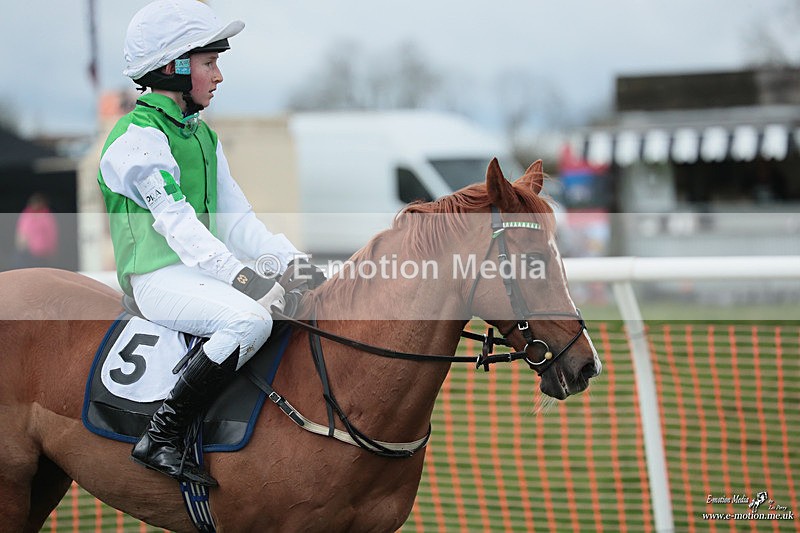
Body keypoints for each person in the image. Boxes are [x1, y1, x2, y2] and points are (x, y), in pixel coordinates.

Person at [98, 0, 323, 487]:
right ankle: (161, 436)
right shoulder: (136, 140)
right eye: (209, 63)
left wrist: (293, 261)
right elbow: (179, 226)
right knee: (249, 318)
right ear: (174, 68)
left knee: (292, 303)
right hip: (155, 279)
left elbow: (237, 220)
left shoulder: (202, 136)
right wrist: (243, 277)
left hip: (195, 274)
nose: (218, 76)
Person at [13, 193, 59, 269]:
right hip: (28, 250)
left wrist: (52, 249)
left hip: (42, 251)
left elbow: (51, 234)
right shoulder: (26, 215)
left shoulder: (47, 217)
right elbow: (21, 231)